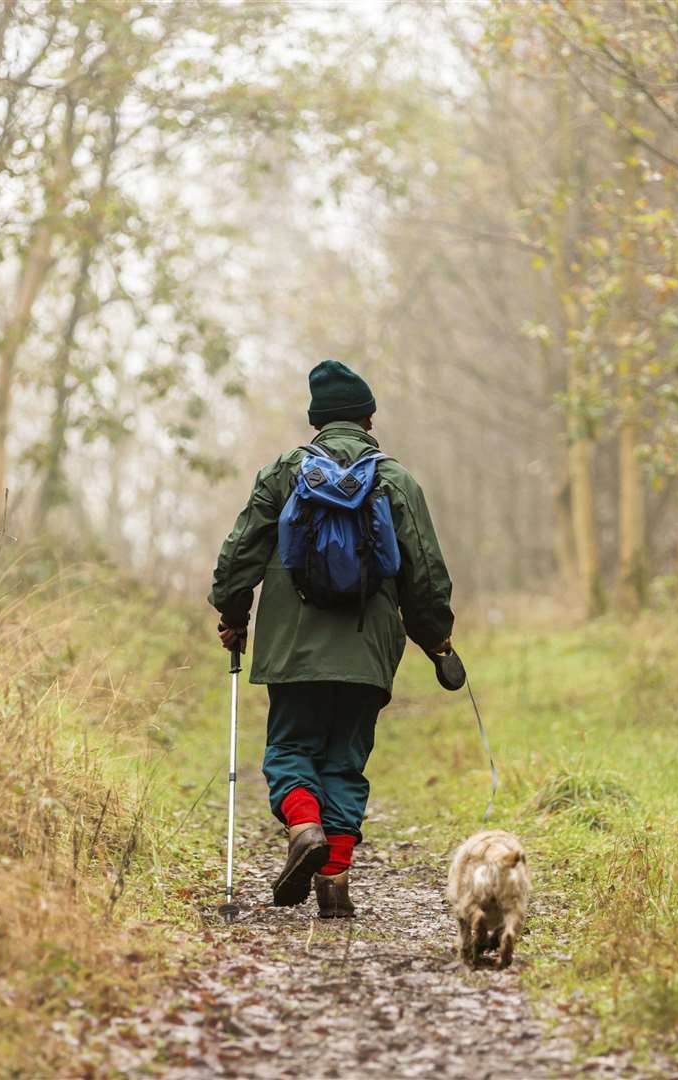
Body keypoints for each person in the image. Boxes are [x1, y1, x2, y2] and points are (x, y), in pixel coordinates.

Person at [208, 359, 455, 918]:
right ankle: (335, 881)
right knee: (346, 760)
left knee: (292, 747)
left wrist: (233, 612)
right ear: (369, 418)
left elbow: (239, 552)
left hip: (292, 649)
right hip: (368, 650)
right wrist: (436, 640)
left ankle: (303, 826)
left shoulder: (284, 473)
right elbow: (426, 573)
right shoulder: (395, 479)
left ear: (316, 421)